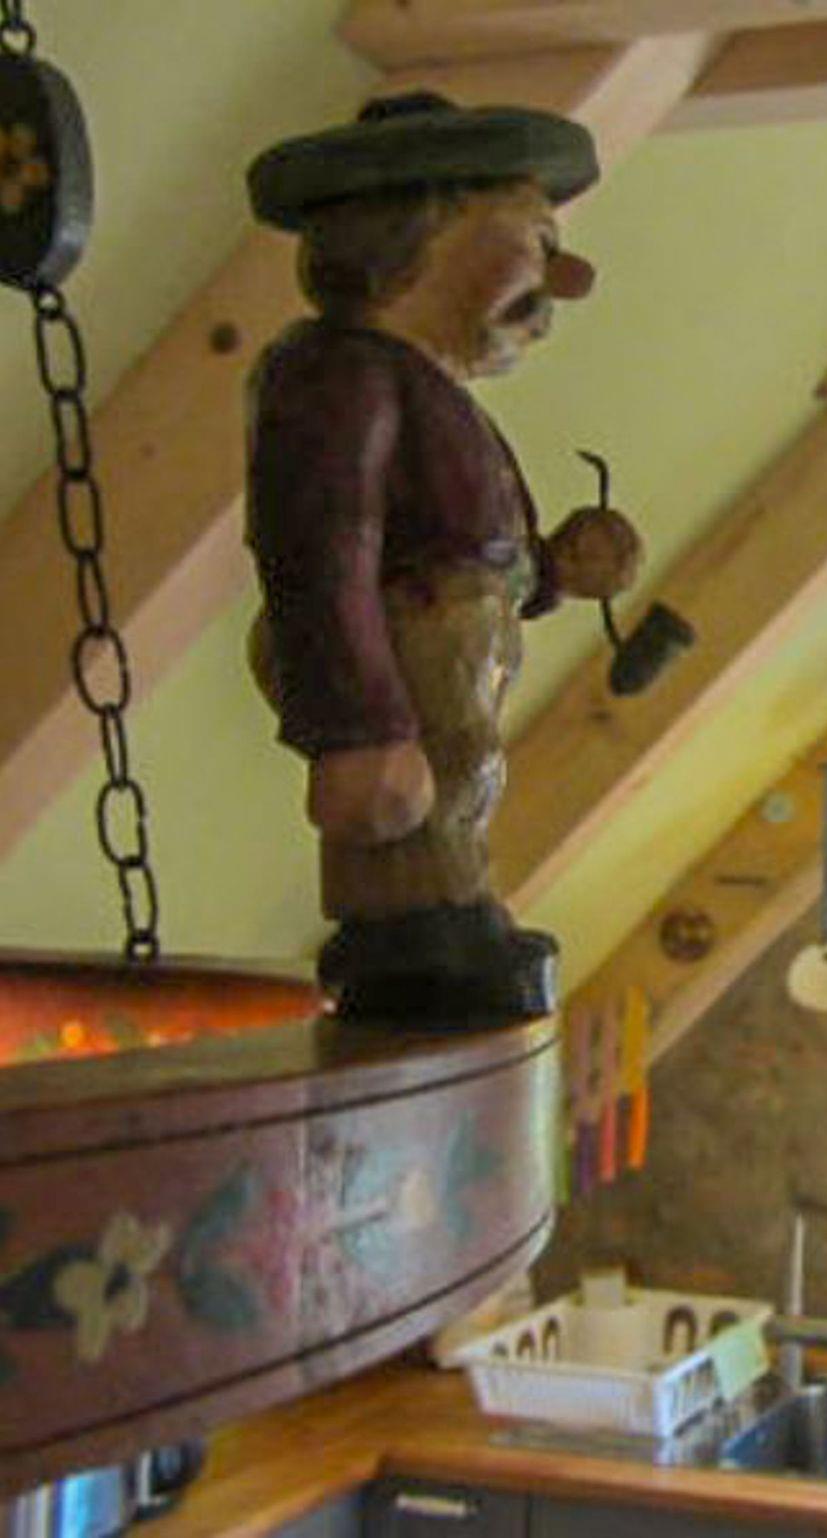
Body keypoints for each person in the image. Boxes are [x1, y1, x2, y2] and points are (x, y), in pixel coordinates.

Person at [243, 93, 642, 1019]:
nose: (556, 280)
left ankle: (446, 920)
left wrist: (551, 568)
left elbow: (459, 538)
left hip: (444, 648)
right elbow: (322, 549)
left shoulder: (421, 382)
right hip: (393, 657)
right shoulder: (337, 375)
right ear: (415, 234)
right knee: (425, 799)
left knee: (460, 790)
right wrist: (359, 731)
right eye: (533, 241)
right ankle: (412, 936)